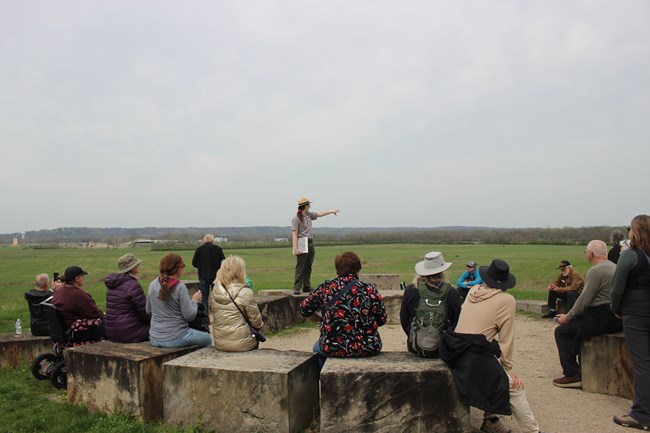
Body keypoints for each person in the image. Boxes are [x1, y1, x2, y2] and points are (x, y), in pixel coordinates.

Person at [454, 259, 543, 433]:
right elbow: (506, 338)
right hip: (473, 354)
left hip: (456, 349)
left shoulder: (474, 290)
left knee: (495, 372)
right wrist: (508, 369)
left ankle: (491, 419)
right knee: (513, 385)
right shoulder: (506, 300)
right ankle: (533, 431)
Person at [552, 240, 622, 388]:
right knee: (576, 327)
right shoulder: (616, 267)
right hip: (615, 317)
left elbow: (584, 299)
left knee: (562, 332)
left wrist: (568, 317)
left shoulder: (596, 271)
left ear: (591, 254)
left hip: (600, 317)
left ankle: (572, 373)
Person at [299, 251, 387, 370]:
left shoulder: (326, 287)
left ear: (337, 270)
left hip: (333, 348)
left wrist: (321, 319)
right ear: (358, 269)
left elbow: (304, 310)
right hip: (368, 347)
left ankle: (324, 380)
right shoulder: (369, 289)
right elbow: (382, 320)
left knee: (317, 348)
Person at [610, 214, 650, 431]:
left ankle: (641, 414)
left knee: (643, 362)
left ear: (636, 232)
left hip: (636, 311)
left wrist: (616, 308)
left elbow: (617, 288)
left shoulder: (630, 256)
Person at [400, 251, 462, 355]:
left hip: (415, 346)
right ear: (442, 271)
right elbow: (458, 321)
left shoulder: (411, 290)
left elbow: (404, 319)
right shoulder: (451, 292)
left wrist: (416, 337)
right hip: (443, 348)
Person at [146, 253, 212, 348]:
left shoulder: (152, 284)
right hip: (177, 337)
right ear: (178, 268)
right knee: (207, 339)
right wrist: (194, 301)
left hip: (154, 338)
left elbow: (148, 310)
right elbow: (189, 316)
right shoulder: (180, 287)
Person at [210, 256, 263, 352]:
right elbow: (256, 322)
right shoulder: (245, 292)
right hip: (243, 344)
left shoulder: (215, 292)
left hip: (220, 343)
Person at [291, 197, 340, 295]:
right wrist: (295, 248)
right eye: (309, 204)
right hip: (302, 243)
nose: (310, 205)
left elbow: (319, 213)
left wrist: (331, 211)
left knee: (308, 266)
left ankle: (306, 286)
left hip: (310, 243)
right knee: (301, 266)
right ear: (305, 205)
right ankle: (297, 287)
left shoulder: (308, 215)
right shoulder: (296, 218)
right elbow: (294, 234)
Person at [52, 266, 107, 343]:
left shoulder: (59, 290)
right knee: (109, 325)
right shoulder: (79, 294)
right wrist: (103, 314)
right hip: (76, 332)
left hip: (65, 329)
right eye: (82, 276)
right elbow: (93, 314)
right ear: (77, 278)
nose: (83, 278)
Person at [104, 253, 150, 343]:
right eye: (137, 264)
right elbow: (144, 313)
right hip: (129, 333)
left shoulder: (111, 286)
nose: (139, 265)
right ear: (132, 267)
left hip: (111, 332)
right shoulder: (133, 285)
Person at [192, 234, 226, 307]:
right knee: (217, 297)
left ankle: (205, 315)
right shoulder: (218, 249)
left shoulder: (199, 250)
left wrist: (201, 265)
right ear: (212, 240)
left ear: (204, 240)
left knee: (204, 297)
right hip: (216, 276)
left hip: (203, 276)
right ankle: (216, 313)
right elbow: (224, 262)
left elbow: (194, 263)